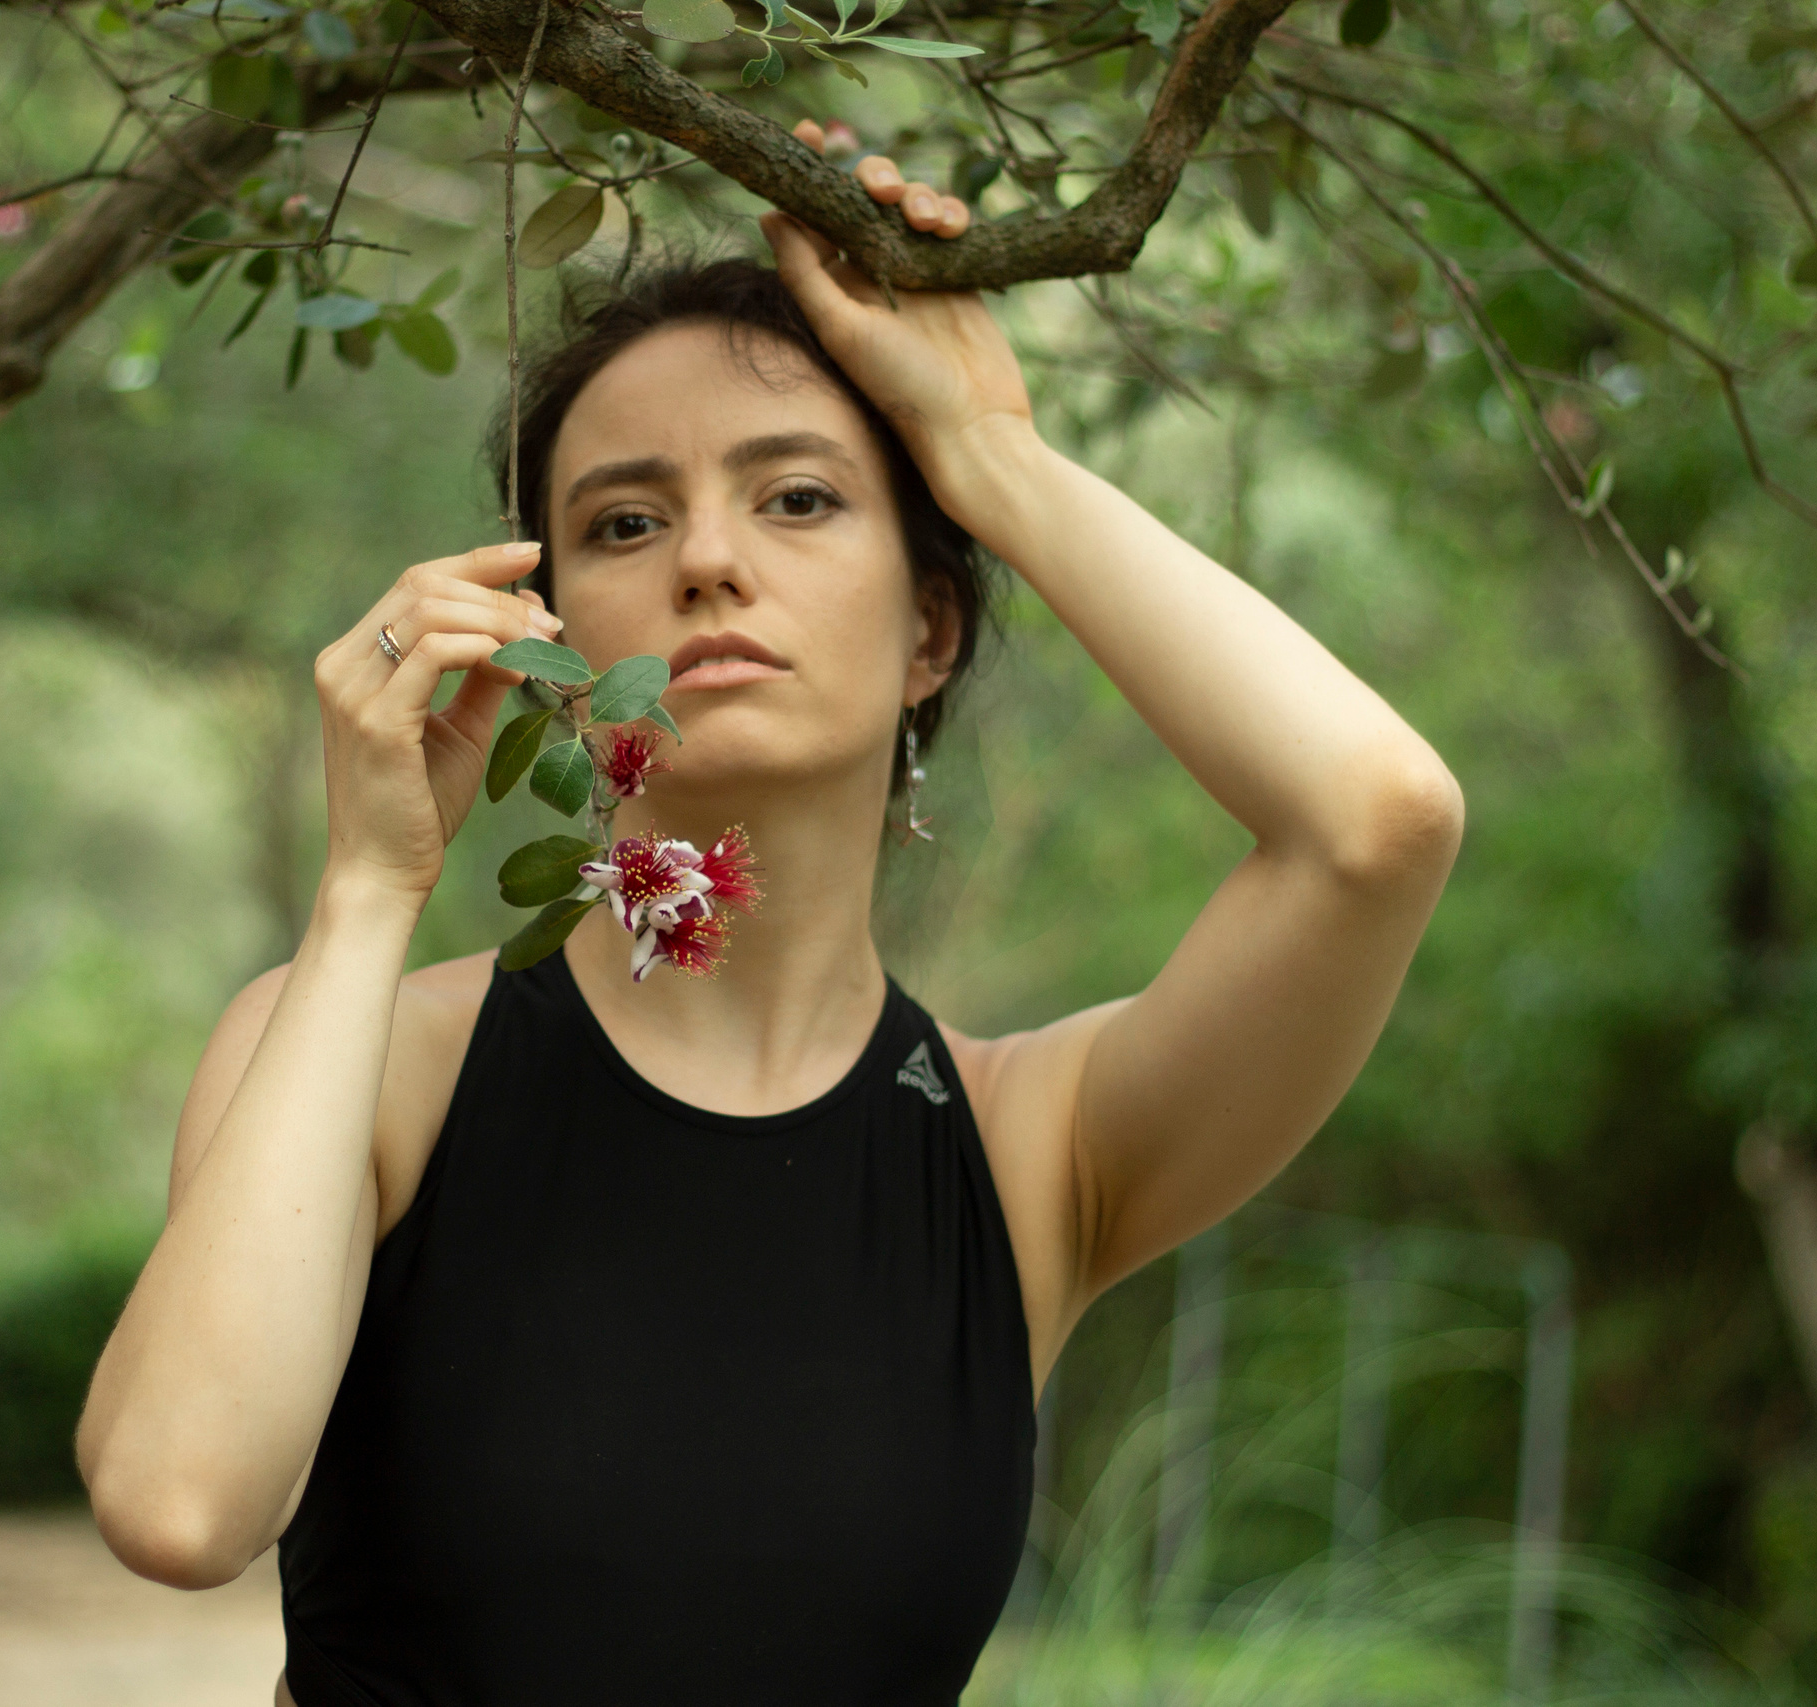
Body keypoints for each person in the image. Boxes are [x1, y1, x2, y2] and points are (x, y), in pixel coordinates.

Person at [76, 132, 1465, 1707]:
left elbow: (1378, 823)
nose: (711, 561)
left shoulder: (1028, 1153)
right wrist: (367, 889)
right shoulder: (369, 1060)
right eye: (622, 523)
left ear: (930, 625)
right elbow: (178, 1503)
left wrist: (989, 446)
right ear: (542, 643)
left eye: (797, 497)